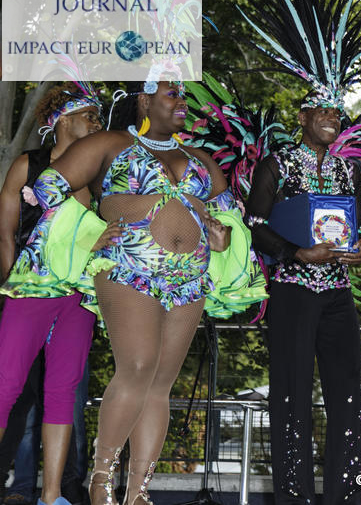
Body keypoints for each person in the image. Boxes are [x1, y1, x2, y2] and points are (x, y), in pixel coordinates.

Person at [3, 78, 264, 505]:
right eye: (172, 93)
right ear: (145, 99)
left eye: (184, 95)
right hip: (128, 270)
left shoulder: (199, 158)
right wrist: (88, 232)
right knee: (138, 366)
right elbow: (48, 189)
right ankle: (101, 480)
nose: (182, 101)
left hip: (188, 280)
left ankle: (138, 491)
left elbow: (227, 213)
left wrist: (223, 238)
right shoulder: (110, 144)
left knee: (161, 383)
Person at [245, 100, 361, 505]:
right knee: (290, 395)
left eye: (337, 114)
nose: (332, 119)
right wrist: (296, 253)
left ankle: (346, 497)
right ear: (302, 118)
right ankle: (293, 498)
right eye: (322, 111)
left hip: (338, 293)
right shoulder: (277, 165)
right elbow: (254, 224)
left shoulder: (350, 171)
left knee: (347, 394)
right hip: (292, 289)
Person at [0, 82, 109, 505]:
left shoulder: (101, 174)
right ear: (63, 120)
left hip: (79, 297)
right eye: (89, 116)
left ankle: (51, 497)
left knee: (63, 391)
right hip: (30, 289)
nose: (97, 125)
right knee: (6, 385)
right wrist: (10, 287)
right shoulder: (29, 165)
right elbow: (5, 234)